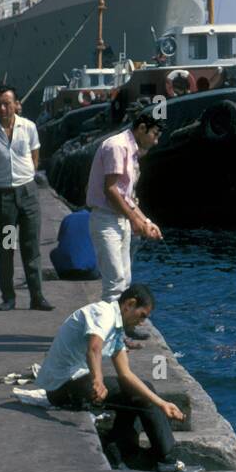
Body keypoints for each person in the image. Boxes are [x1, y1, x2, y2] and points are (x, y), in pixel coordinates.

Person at [38, 283, 185, 472]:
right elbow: (94, 347)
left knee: (136, 391)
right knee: (137, 395)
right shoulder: (104, 313)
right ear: (129, 304)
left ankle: (121, 453)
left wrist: (162, 403)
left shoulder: (116, 330)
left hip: (73, 384)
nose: (141, 323)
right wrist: (98, 380)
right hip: (62, 387)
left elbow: (126, 374)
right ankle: (167, 458)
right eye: (142, 316)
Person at [0, 83, 54, 312]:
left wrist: (23, 177)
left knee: (31, 247)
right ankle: (8, 297)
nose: (2, 108)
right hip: (4, 201)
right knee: (7, 248)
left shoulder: (28, 128)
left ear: (16, 104)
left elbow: (35, 158)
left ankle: (37, 296)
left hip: (27, 196)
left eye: (7, 103)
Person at [85, 112, 163, 341]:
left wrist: (146, 221)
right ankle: (110, 337)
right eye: (154, 134)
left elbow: (127, 197)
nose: (156, 141)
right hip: (106, 219)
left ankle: (119, 331)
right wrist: (134, 219)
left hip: (119, 219)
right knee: (114, 282)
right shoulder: (117, 147)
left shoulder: (131, 151)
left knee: (124, 279)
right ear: (141, 128)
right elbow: (111, 191)